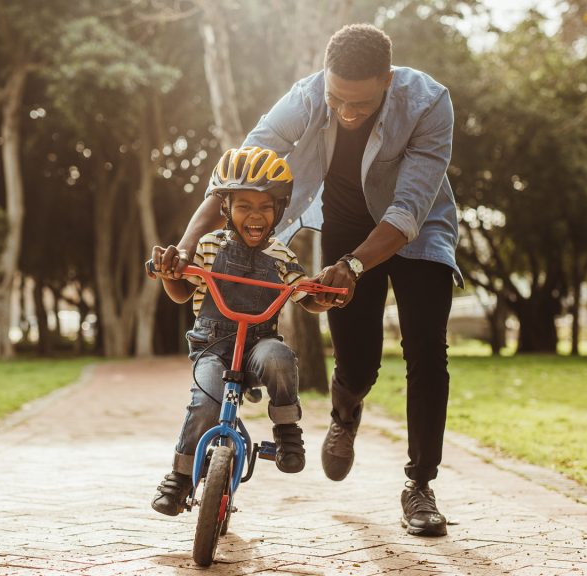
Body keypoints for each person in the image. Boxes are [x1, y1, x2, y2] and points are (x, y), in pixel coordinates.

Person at [156, 24, 463, 536]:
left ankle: (420, 485)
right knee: (359, 364)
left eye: (360, 104)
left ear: (387, 80)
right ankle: (346, 413)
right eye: (337, 98)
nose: (346, 112)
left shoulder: (429, 103)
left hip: (418, 228)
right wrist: (186, 246)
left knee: (427, 350)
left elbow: (409, 208)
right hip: (346, 224)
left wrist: (356, 267)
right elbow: (238, 173)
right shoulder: (305, 96)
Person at [148, 146, 334, 517]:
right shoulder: (207, 246)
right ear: (226, 209)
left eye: (265, 207)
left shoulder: (282, 256)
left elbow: (305, 296)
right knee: (206, 401)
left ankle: (286, 431)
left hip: (258, 344)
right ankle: (180, 477)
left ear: (279, 210)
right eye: (244, 205)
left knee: (280, 359)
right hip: (212, 346)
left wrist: (324, 296)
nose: (255, 215)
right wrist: (170, 274)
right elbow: (183, 291)